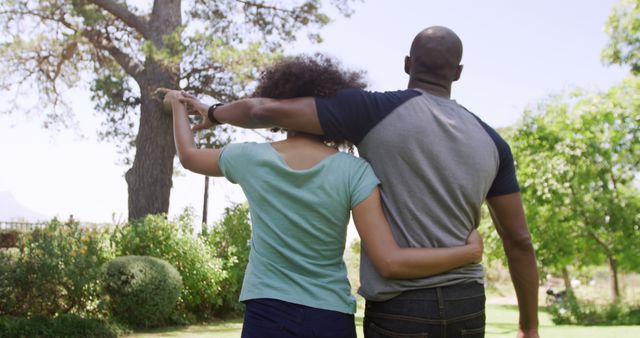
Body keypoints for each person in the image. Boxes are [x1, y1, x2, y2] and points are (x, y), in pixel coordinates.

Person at [179, 26, 539, 338]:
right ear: (458, 73)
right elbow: (519, 240)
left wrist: (211, 112)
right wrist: (529, 325)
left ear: (407, 64)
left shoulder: (372, 111)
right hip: (466, 300)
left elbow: (260, 110)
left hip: (400, 305)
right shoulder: (493, 142)